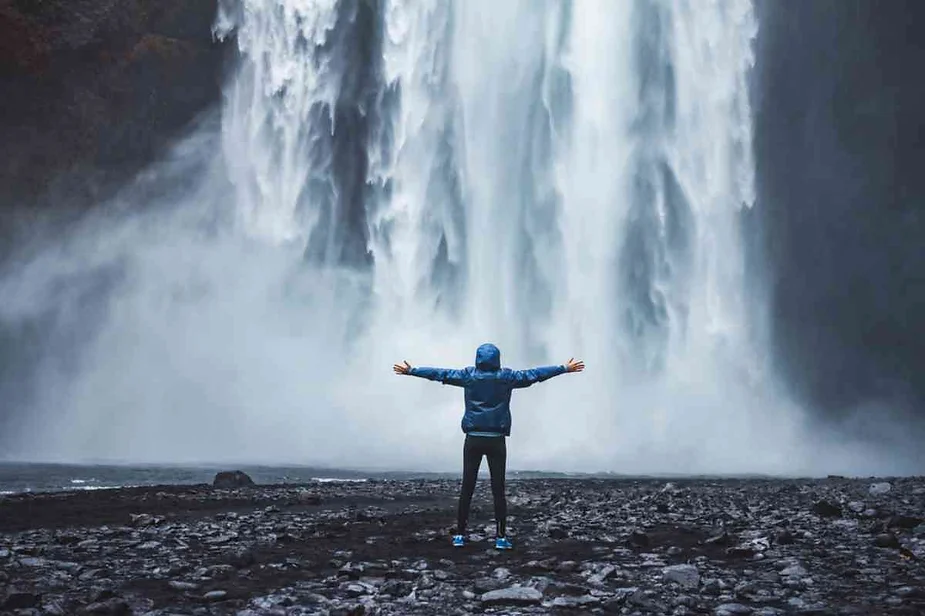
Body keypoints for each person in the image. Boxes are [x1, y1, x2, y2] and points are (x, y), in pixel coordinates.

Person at [393, 343, 584, 550]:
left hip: (473, 438)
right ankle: (501, 537)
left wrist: (412, 371)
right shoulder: (506, 377)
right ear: (497, 359)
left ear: (478, 359)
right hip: (496, 440)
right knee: (498, 489)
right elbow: (534, 375)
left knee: (467, 487)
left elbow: (441, 374)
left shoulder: (468, 376)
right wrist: (563, 368)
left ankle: (460, 535)